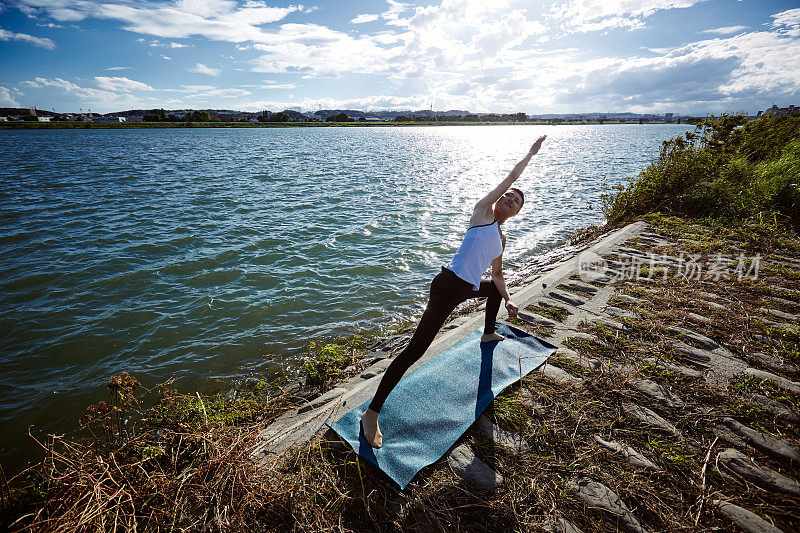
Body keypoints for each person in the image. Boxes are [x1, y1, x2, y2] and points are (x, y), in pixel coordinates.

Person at [360, 135, 547, 448]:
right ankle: (372, 412)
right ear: (499, 199)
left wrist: (510, 298)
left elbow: (498, 276)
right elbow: (512, 177)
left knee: (495, 291)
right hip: (447, 287)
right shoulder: (483, 213)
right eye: (508, 196)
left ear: (516, 213)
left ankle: (488, 333)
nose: (510, 200)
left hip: (468, 288)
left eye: (516, 201)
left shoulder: (501, 239)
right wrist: (530, 154)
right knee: (415, 350)